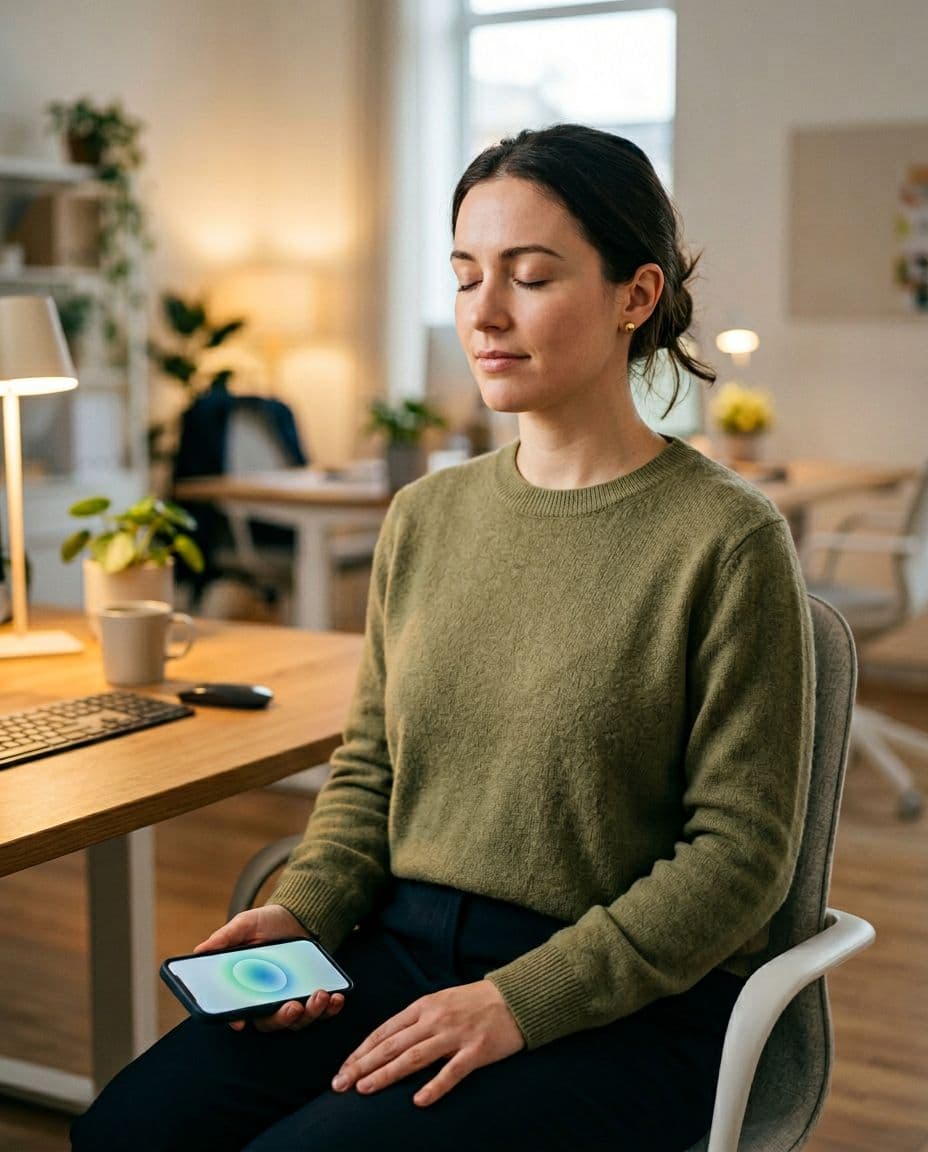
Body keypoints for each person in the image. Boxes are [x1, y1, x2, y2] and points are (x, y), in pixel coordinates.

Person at [72, 124, 813, 1152]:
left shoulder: (726, 539)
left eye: (530, 276)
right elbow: (371, 765)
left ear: (634, 296)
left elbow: (737, 861)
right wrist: (307, 912)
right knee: (125, 1136)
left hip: (618, 999)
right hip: (396, 946)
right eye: (465, 277)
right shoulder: (426, 516)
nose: (485, 314)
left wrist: (520, 1000)